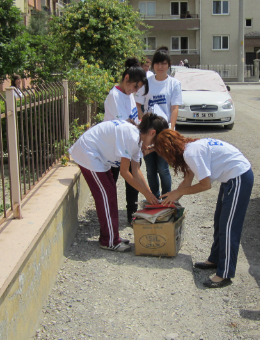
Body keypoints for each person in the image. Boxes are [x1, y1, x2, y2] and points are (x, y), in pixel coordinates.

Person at [155, 131, 254, 288]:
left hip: (239, 177)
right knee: (219, 221)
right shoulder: (188, 150)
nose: (166, 160)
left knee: (228, 227)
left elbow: (205, 185)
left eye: (163, 155)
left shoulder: (190, 153)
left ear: (168, 149)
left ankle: (225, 274)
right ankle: (215, 259)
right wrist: (170, 201)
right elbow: (187, 182)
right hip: (230, 178)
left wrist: (178, 193)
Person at [68, 113, 168, 252]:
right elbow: (125, 172)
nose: (153, 145)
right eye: (157, 141)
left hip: (99, 157)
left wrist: (149, 194)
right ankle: (109, 241)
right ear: (152, 133)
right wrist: (146, 192)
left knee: (110, 193)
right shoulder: (131, 136)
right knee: (106, 196)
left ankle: (111, 236)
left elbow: (136, 170)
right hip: (88, 153)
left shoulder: (137, 139)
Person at [104, 58, 149, 223]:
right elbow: (123, 124)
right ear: (127, 78)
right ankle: (109, 217)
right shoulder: (114, 95)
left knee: (133, 180)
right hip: (114, 147)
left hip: (128, 144)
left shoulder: (129, 95)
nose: (135, 90)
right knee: (112, 182)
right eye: (135, 86)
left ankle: (132, 213)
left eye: (138, 88)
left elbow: (133, 119)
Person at [135, 49, 182, 199]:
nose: (160, 66)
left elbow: (174, 108)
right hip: (148, 132)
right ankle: (154, 199)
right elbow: (138, 105)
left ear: (168, 65)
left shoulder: (174, 83)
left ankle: (166, 199)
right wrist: (144, 124)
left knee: (163, 168)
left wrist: (171, 130)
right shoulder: (146, 82)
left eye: (164, 63)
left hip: (164, 132)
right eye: (157, 63)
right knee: (150, 168)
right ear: (153, 64)